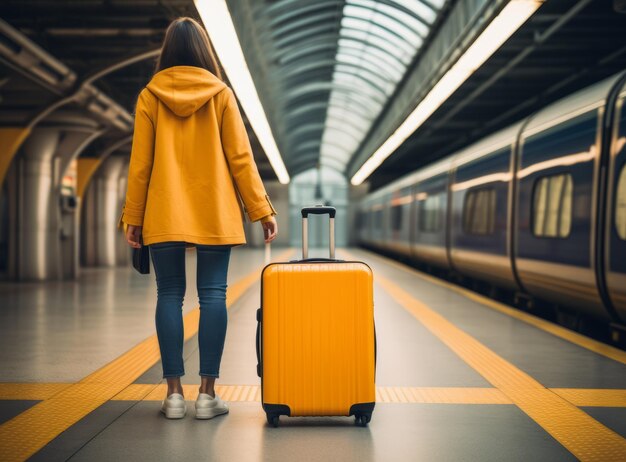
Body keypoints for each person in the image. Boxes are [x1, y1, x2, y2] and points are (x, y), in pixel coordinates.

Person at [119, 17, 278, 420]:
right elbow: (240, 158)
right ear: (205, 51)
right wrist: (261, 209)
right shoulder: (221, 94)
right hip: (214, 212)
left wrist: (133, 217)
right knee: (213, 296)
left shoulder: (149, 96)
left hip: (164, 211)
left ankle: (173, 395)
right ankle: (207, 395)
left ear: (166, 52)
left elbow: (140, 165)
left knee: (169, 295)